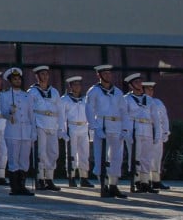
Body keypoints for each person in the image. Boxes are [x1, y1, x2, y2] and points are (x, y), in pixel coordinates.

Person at [85, 65, 127, 198]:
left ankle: (113, 185)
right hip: (102, 125)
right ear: (99, 75)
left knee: (116, 157)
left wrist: (125, 128)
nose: (108, 75)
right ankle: (103, 185)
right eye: (105, 73)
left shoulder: (118, 92)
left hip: (116, 126)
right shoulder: (94, 91)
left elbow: (124, 111)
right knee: (101, 157)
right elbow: (89, 109)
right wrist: (94, 127)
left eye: (109, 73)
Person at [25, 65, 63, 192]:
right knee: (41, 153)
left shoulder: (54, 92)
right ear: (37, 76)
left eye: (46, 74)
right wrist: (31, 129)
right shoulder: (32, 92)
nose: (45, 77)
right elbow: (29, 111)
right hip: (39, 123)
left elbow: (60, 110)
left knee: (53, 152)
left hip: (52, 123)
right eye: (42, 74)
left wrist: (61, 127)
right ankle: (40, 178)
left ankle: (49, 179)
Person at [1, 68, 35, 197]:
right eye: (14, 79)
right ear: (10, 81)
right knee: (13, 159)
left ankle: (22, 186)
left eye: (19, 78)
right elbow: (3, 113)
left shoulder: (27, 96)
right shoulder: (5, 95)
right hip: (12, 131)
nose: (17, 81)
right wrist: (10, 111)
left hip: (26, 131)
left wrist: (33, 132)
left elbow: (31, 115)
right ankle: (14, 187)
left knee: (24, 160)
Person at [122, 72, 156, 193]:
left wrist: (157, 133)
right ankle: (136, 181)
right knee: (135, 157)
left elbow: (155, 118)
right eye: (136, 82)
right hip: (134, 128)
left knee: (146, 157)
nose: (139, 84)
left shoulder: (149, 99)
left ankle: (145, 182)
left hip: (147, 128)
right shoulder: (126, 99)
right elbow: (124, 116)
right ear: (131, 85)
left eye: (140, 82)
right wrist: (126, 132)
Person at [60, 75, 92, 187]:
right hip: (71, 127)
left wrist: (91, 130)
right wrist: (62, 131)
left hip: (84, 127)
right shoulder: (64, 100)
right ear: (70, 86)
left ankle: (84, 177)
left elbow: (90, 114)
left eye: (79, 84)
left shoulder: (85, 99)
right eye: (75, 84)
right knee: (71, 153)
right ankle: (71, 176)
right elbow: (61, 117)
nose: (77, 87)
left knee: (84, 153)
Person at [142, 76, 170, 192]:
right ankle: (145, 180)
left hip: (157, 131)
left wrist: (166, 132)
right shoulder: (140, 102)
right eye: (148, 89)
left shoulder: (158, 102)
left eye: (152, 89)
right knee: (146, 157)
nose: (150, 91)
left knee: (157, 157)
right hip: (146, 131)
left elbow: (164, 118)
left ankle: (156, 180)